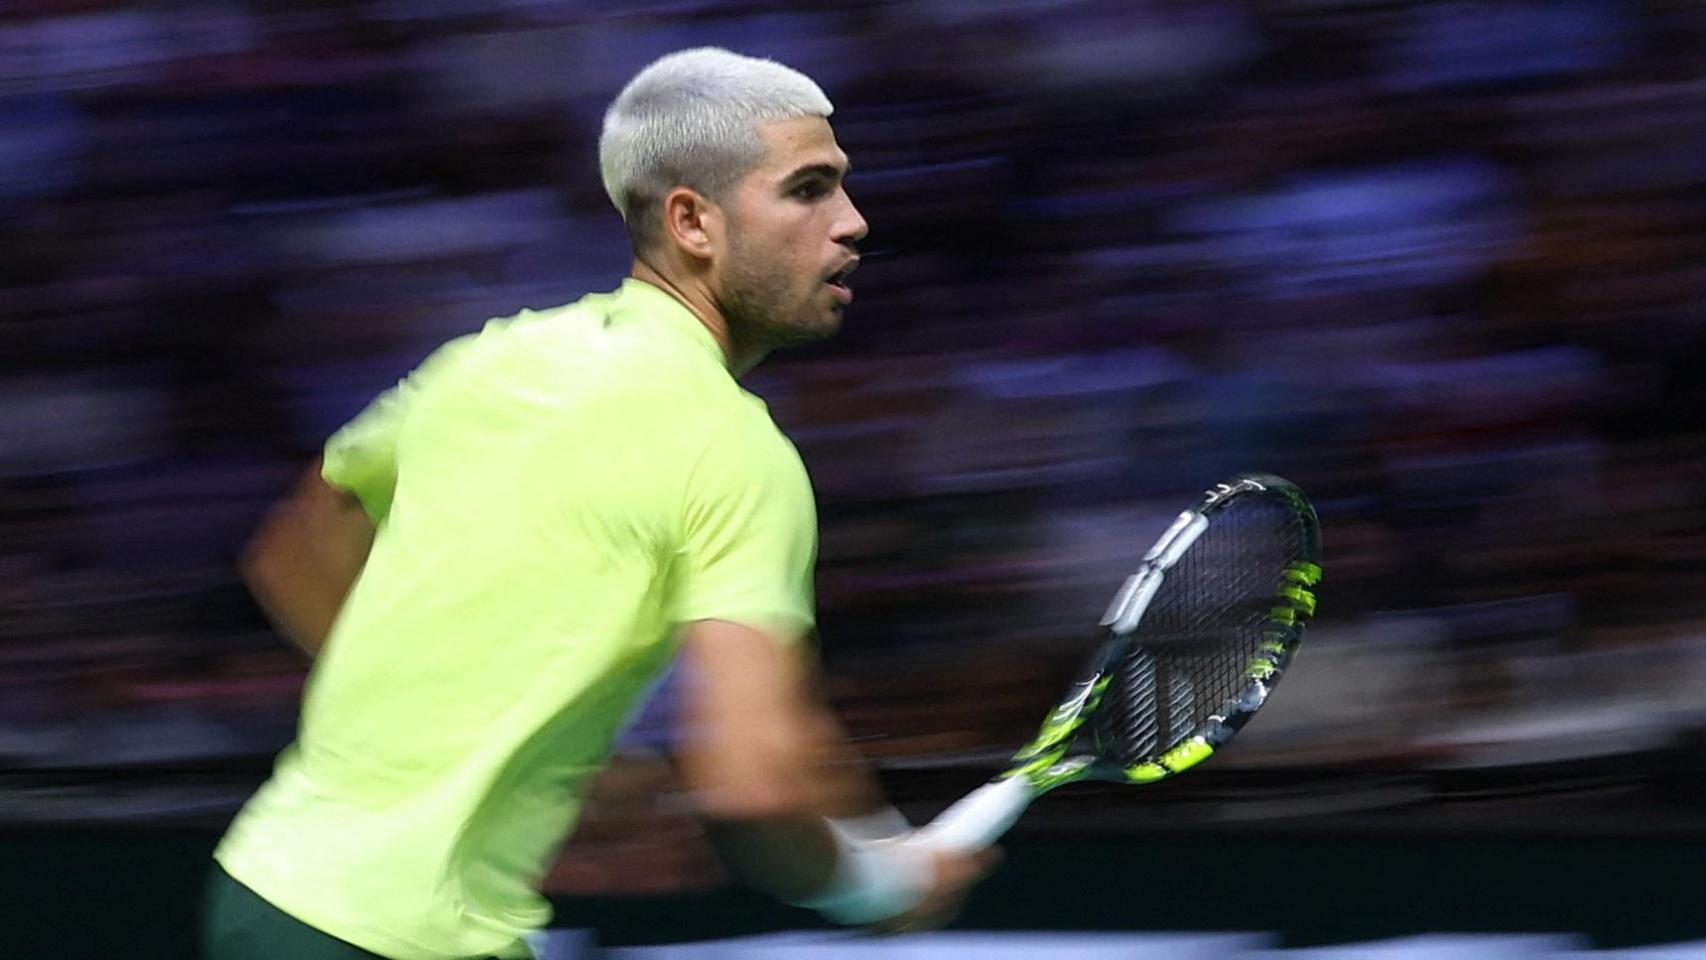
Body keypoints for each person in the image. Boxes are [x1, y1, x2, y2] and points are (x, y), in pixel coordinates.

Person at [202, 46, 997, 960]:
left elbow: (295, 553)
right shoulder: (735, 452)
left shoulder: (490, 358)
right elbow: (755, 780)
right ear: (693, 222)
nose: (853, 223)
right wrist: (877, 884)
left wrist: (485, 741)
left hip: (265, 891)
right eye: (809, 190)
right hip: (402, 943)